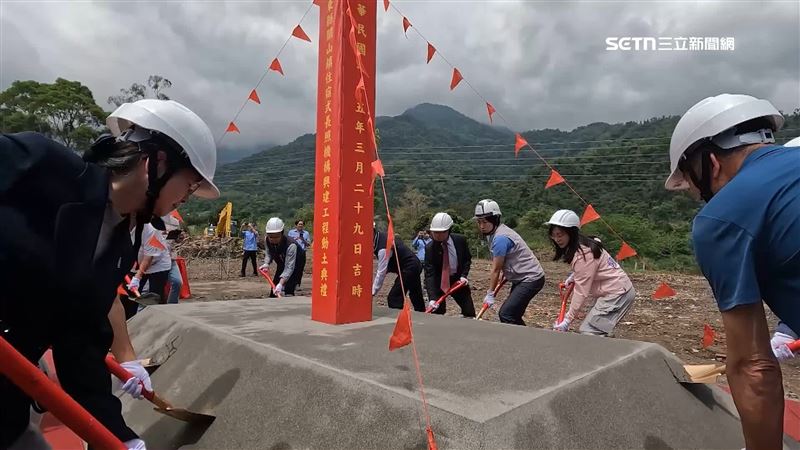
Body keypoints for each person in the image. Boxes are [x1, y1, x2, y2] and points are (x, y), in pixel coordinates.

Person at [0, 99, 219, 450]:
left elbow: (80, 348)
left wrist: (123, 437)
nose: (187, 198)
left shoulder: (121, 244)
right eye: (190, 185)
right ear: (159, 161)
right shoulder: (40, 164)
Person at [664, 93, 797, 449]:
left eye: (696, 188)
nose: (701, 198)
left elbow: (754, 367)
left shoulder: (722, 216)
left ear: (711, 162)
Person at [545, 210, 635, 336]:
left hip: (618, 293)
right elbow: (591, 268)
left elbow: (581, 292)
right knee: (598, 328)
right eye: (553, 235)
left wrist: (567, 319)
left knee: (589, 331)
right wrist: (575, 275)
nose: (556, 239)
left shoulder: (584, 254)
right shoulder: (583, 244)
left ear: (571, 232)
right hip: (612, 291)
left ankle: (606, 352)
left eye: (560, 235)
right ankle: (609, 344)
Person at [474, 199, 545, 325]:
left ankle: (525, 339)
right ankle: (522, 338)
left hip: (530, 278)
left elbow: (495, 269)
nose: (482, 226)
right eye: (479, 222)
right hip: (520, 277)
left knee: (507, 314)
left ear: (495, 219)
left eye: (485, 222)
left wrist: (490, 293)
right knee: (513, 314)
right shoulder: (496, 233)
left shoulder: (500, 238)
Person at [424, 213, 475, 317]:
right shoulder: (430, 248)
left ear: (449, 230)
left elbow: (467, 259)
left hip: (457, 281)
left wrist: (464, 275)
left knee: (469, 310)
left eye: (442, 232)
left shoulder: (460, 241)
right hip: (440, 282)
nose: (438, 235)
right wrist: (432, 297)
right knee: (437, 311)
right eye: (435, 232)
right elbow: (430, 274)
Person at [372, 224, 425, 312]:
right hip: (413, 264)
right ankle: (422, 315)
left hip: (410, 266)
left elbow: (381, 271)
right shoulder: (379, 238)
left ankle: (397, 320)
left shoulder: (383, 247)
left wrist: (373, 291)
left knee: (394, 297)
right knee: (416, 294)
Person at [128, 223, 171, 307]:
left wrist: (137, 277)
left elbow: (149, 257)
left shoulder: (150, 229)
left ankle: (157, 316)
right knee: (130, 296)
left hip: (158, 264)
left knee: (155, 297)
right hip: (135, 264)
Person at [260, 217, 302, 297]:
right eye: (271, 236)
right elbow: (269, 253)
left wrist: (281, 284)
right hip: (281, 260)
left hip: (296, 260)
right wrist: (266, 263)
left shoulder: (291, 245)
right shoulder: (267, 240)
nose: (273, 240)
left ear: (282, 234)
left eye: (276, 237)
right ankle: (273, 298)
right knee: (275, 284)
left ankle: (289, 297)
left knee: (290, 284)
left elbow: (289, 267)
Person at [163, 212, 184, 304]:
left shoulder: (175, 222)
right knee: (156, 287)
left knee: (177, 282)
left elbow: (176, 240)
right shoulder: (152, 220)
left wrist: (179, 238)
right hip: (155, 259)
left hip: (170, 258)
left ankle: (171, 305)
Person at [286, 220, 311, 286]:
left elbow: (308, 244)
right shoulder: (291, 232)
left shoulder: (306, 233)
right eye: (299, 224)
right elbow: (287, 242)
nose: (300, 225)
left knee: (300, 268)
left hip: (302, 252)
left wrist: (302, 239)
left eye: (302, 224)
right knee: (292, 267)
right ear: (296, 225)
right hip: (293, 252)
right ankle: (290, 282)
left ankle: (297, 283)